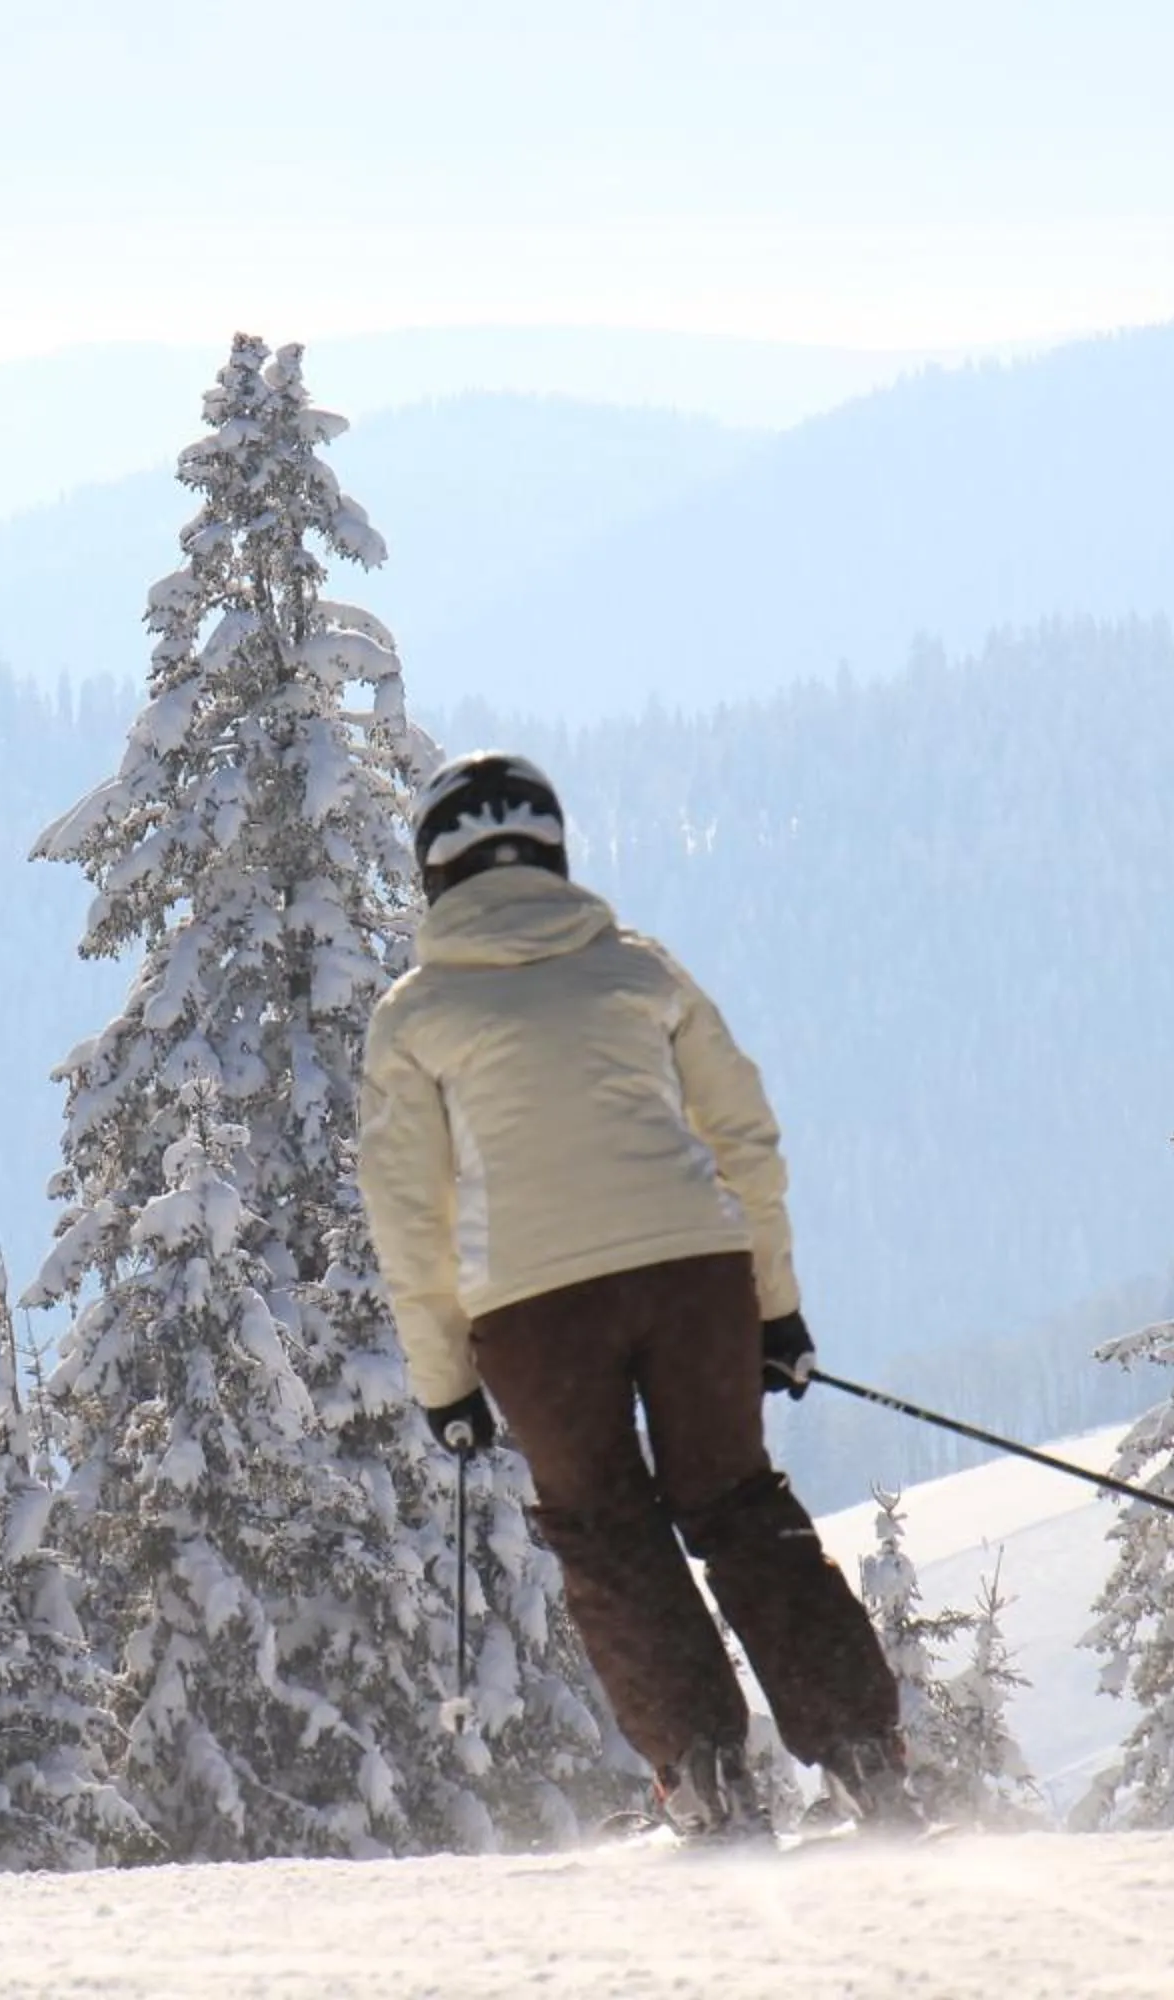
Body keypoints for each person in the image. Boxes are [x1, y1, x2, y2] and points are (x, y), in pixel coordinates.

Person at [356, 750, 916, 1842]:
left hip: (533, 1308)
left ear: (434, 872)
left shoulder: (415, 1015)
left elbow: (407, 1215)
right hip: (694, 1273)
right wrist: (773, 1307)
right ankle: (866, 1760)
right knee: (738, 1501)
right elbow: (743, 1137)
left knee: (610, 1532)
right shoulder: (640, 970)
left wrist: (445, 1381)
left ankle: (708, 1784)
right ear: (554, 851)